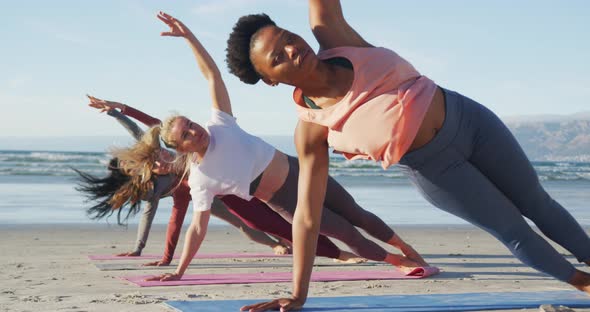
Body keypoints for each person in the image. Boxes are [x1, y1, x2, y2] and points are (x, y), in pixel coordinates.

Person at [225, 1, 590, 310]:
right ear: (271, 79)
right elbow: (306, 216)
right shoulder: (312, 128)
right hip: (438, 171)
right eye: (278, 57)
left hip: (472, 121)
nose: (292, 49)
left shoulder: (336, 39)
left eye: (288, 38)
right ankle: (583, 283)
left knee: (538, 203)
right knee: (514, 231)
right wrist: (298, 293)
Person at [146, 12, 427, 282]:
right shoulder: (201, 177)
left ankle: (407, 249)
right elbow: (197, 228)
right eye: (185, 135)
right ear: (181, 150)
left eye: (191, 124)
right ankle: (397, 261)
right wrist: (180, 271)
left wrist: (189, 38)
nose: (194, 131)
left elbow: (212, 76)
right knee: (347, 234)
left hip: (301, 170)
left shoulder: (220, 124)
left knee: (358, 214)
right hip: (287, 202)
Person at [78, 98, 363, 266]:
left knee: (296, 211)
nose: (161, 158)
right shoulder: (174, 186)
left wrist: (119, 109)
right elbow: (176, 219)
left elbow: (150, 125)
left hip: (240, 178)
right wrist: (164, 257)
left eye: (161, 153)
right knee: (261, 224)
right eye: (156, 164)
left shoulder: (169, 143)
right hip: (222, 198)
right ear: (152, 172)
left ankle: (346, 235)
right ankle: (339, 254)